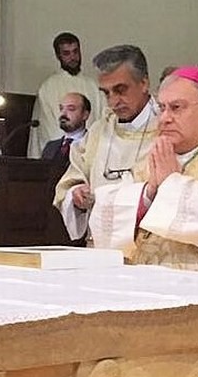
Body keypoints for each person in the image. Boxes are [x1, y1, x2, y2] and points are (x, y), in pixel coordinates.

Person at [87, 66, 198, 271]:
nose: (164, 118)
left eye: (176, 107)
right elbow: (107, 215)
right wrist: (148, 193)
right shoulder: (153, 157)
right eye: (161, 108)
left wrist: (169, 183)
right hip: (145, 285)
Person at [53, 44, 160, 243]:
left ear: (144, 83)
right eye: (106, 93)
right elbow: (70, 183)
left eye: (120, 90)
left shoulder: (168, 129)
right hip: (101, 251)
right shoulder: (97, 132)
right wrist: (76, 196)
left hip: (148, 250)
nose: (113, 102)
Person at [31, 32, 101, 156]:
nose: (72, 57)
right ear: (58, 56)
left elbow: (101, 122)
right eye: (66, 53)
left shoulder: (93, 86)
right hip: (60, 156)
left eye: (75, 52)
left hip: (91, 153)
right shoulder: (48, 87)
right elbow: (49, 130)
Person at [40, 93, 91, 161]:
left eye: (71, 109)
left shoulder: (93, 145)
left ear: (85, 115)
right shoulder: (50, 147)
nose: (63, 114)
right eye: (61, 108)